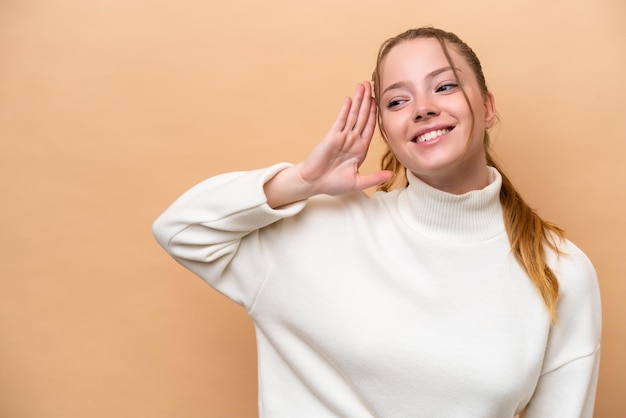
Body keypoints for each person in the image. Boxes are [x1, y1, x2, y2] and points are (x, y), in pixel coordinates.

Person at [152, 27, 601, 417]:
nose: (422, 108)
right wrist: (302, 181)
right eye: (398, 100)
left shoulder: (561, 271)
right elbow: (180, 229)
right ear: (385, 129)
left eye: (443, 87)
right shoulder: (318, 230)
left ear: (486, 107)